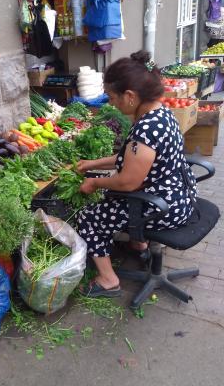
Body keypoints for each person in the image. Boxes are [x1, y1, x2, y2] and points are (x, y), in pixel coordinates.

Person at [76, 50, 197, 298]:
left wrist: (94, 182)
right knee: (113, 199)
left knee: (88, 217)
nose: (111, 104)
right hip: (178, 196)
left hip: (164, 207)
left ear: (129, 96)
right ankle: (139, 244)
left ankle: (109, 279)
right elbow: (132, 157)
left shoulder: (146, 127)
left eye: (111, 98)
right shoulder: (161, 114)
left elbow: (128, 181)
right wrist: (92, 163)